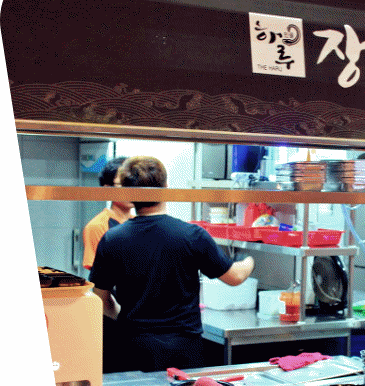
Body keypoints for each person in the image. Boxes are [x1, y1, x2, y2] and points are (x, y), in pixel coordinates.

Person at [89, 155, 255, 372]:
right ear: (166, 187)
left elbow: (100, 299)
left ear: (128, 193)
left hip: (133, 348)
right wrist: (250, 260)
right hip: (183, 349)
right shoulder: (191, 235)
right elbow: (236, 277)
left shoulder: (112, 239)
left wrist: (123, 315)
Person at [82, 156, 134, 270]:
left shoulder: (139, 222)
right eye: (125, 184)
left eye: (134, 184)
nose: (132, 190)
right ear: (108, 189)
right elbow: (99, 273)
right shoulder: (97, 226)